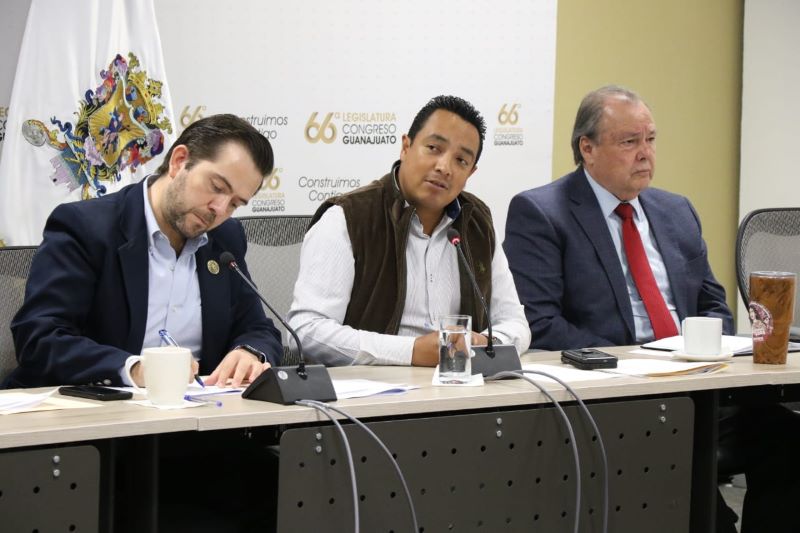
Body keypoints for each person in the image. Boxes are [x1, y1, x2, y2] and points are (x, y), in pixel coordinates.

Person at [503, 85, 800, 533]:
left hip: (704, 388)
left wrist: (699, 353)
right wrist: (638, 362)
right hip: (618, 398)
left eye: (651, 139)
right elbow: (541, 326)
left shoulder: (676, 210)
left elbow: (713, 306)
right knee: (694, 497)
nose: (645, 153)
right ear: (587, 148)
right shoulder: (542, 212)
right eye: (629, 142)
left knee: (789, 441)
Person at [5, 113, 283, 389]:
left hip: (196, 409)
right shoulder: (87, 227)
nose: (219, 209)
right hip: (94, 406)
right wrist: (133, 369)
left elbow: (258, 328)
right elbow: (39, 336)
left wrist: (250, 352)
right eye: (216, 187)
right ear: (179, 161)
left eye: (235, 204)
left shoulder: (224, 238)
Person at [288, 95, 530, 366]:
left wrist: (485, 343)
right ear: (406, 147)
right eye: (434, 148)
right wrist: (411, 351)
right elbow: (307, 330)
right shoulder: (348, 218)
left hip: (458, 383)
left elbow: (515, 323)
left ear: (470, 173)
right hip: (373, 388)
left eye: (461, 160)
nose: (444, 167)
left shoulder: (476, 223)